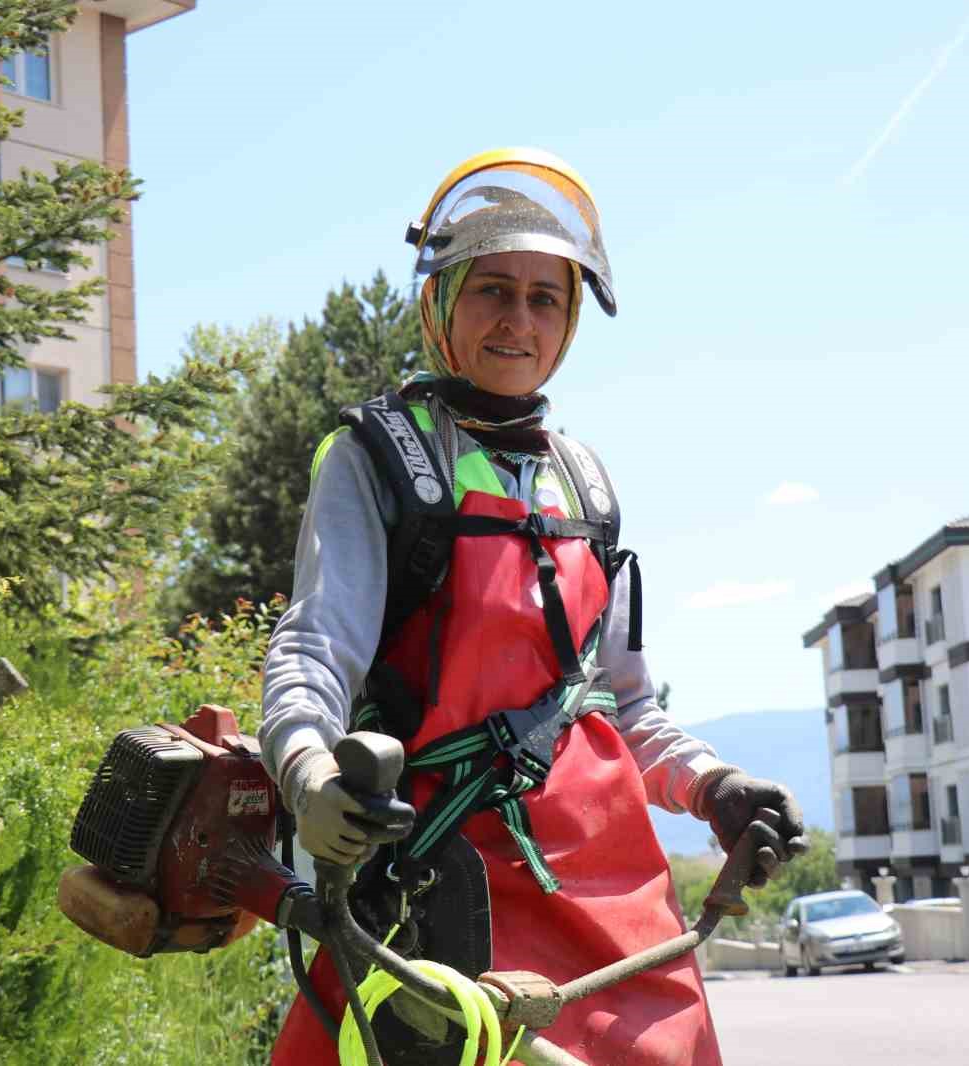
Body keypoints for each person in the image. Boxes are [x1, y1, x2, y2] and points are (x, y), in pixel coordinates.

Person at [259, 147, 806, 1066]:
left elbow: (622, 704)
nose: (520, 320)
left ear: (571, 320)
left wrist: (714, 785)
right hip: (438, 888)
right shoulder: (376, 459)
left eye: (545, 298)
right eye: (493, 291)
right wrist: (307, 771)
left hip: (618, 902)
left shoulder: (584, 483)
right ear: (441, 302)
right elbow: (315, 648)